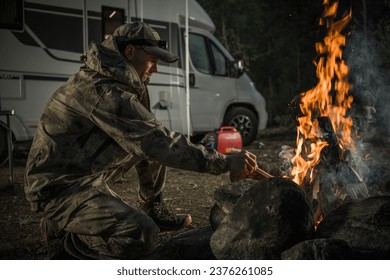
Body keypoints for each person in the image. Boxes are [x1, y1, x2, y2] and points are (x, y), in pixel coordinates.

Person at [24, 21, 259, 260]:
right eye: (152, 60)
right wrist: (224, 162)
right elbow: (155, 142)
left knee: (151, 140)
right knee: (139, 233)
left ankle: (151, 206)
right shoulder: (104, 92)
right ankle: (66, 238)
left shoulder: (120, 81)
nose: (155, 68)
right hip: (59, 186)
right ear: (130, 53)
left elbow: (152, 136)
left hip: (85, 173)